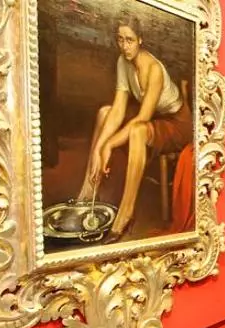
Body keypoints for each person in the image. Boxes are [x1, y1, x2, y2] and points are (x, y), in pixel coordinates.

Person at [78, 15, 192, 242]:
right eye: (120, 39)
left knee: (138, 131)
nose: (124, 46)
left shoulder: (154, 69)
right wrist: (100, 149)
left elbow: (142, 118)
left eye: (129, 40)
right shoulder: (123, 61)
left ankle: (126, 213)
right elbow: (118, 109)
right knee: (104, 112)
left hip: (176, 124)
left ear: (140, 39)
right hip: (154, 118)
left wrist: (109, 145)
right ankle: (87, 194)